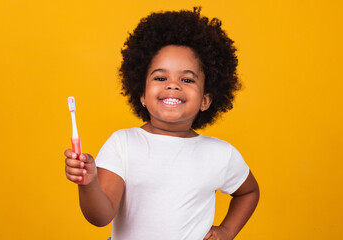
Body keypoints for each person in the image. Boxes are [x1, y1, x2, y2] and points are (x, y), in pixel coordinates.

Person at [64, 7, 259, 240]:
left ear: (205, 100)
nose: (173, 85)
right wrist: (89, 184)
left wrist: (227, 231)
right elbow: (100, 217)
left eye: (187, 79)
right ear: (142, 95)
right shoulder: (123, 144)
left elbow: (248, 192)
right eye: (160, 77)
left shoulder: (220, 154)